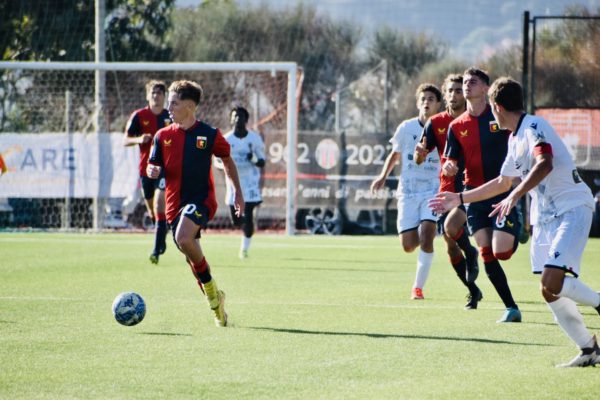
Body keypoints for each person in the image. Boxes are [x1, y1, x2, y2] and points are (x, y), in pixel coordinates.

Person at [430, 77, 600, 367]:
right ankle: (588, 349)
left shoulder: (533, 126)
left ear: (497, 107)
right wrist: (458, 198)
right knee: (548, 290)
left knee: (552, 280)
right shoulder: (514, 138)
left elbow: (544, 163)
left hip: (571, 209)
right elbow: (502, 182)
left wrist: (515, 195)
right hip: (546, 219)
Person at [147, 80, 244, 327]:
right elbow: (153, 165)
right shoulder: (162, 136)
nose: (169, 108)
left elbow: (227, 161)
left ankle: (212, 293)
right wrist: (151, 170)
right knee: (191, 256)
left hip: (202, 200)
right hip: (174, 207)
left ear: (190, 106)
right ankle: (216, 302)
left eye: (174, 103)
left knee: (183, 237)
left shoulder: (209, 134)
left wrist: (237, 193)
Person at [438, 67, 522, 323]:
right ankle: (511, 308)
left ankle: (516, 227)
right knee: (486, 250)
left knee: (502, 251)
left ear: (486, 88)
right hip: (473, 196)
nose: (467, 85)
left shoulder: (500, 117)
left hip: (502, 192)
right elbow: (450, 160)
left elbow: (520, 143)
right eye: (465, 82)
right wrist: (448, 167)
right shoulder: (456, 126)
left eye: (473, 82)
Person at [414, 74, 482, 310]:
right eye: (450, 91)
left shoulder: (474, 120)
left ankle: (472, 253)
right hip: (447, 186)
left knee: (456, 230)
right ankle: (473, 290)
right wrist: (419, 154)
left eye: (458, 90)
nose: (454, 95)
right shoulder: (435, 123)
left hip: (472, 185)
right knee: (450, 244)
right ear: (445, 94)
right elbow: (419, 158)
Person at [371, 83, 442, 300]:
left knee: (427, 235)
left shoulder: (444, 127)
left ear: (438, 104)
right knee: (408, 245)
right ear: (418, 103)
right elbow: (395, 155)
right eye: (423, 99)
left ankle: (417, 288)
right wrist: (383, 176)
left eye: (431, 99)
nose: (426, 102)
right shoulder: (406, 128)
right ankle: (424, 230)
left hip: (432, 189)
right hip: (408, 191)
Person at [124, 80, 171, 264]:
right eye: (153, 92)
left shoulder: (170, 116)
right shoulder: (139, 116)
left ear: (164, 96)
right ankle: (161, 236)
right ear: (147, 95)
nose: (156, 95)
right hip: (146, 170)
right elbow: (125, 140)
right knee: (152, 210)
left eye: (159, 92)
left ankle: (155, 251)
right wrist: (139, 139)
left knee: (160, 205)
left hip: (164, 169)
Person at [224, 106, 266, 259]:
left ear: (246, 120)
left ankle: (244, 248)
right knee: (236, 221)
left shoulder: (254, 139)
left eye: (240, 116)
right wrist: (225, 165)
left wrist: (253, 158)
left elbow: (262, 162)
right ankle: (246, 229)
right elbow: (217, 161)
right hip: (233, 185)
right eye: (234, 116)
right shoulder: (226, 139)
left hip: (250, 183)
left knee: (248, 216)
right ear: (231, 120)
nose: (237, 119)